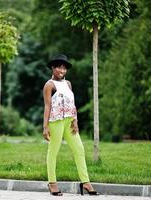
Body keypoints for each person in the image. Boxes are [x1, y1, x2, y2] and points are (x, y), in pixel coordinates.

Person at [43, 54, 99, 196]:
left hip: (69, 121)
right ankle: (52, 183)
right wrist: (45, 127)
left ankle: (85, 182)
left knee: (79, 149)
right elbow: (47, 106)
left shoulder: (68, 84)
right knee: (53, 151)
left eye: (64, 68)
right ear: (53, 68)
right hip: (56, 121)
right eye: (59, 67)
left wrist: (75, 121)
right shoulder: (49, 85)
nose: (62, 70)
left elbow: (71, 103)